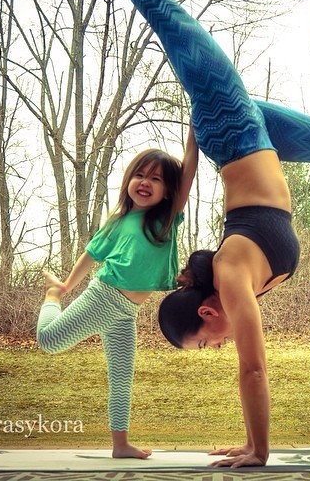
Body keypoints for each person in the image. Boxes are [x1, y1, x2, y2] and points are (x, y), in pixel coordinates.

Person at [71, 0, 310, 468]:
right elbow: (252, 362)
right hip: (246, 134)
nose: (216, 348)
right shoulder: (238, 279)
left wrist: (258, 452)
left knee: (165, 16)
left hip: (229, 122)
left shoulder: (233, 276)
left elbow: (253, 370)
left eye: (205, 342)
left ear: (209, 312)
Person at [36, 139, 197, 459]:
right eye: (140, 175)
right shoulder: (118, 221)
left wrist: (195, 125)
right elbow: (91, 254)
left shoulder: (166, 219)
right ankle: (50, 297)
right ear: (128, 182)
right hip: (103, 297)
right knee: (48, 339)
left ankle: (120, 445)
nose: (146, 182)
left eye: (156, 178)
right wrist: (65, 286)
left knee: (122, 379)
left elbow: (189, 167)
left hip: (126, 312)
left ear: (169, 190)